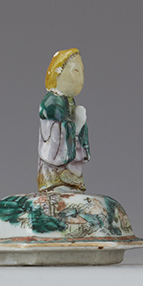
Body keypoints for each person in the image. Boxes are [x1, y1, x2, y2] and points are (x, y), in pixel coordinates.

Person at [37, 49, 90, 191]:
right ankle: (56, 184)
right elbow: (57, 129)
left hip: (70, 160)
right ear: (58, 73)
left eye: (82, 72)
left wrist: (79, 125)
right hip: (54, 161)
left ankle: (71, 182)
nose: (80, 78)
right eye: (75, 71)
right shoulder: (51, 101)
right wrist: (76, 124)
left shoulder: (69, 101)